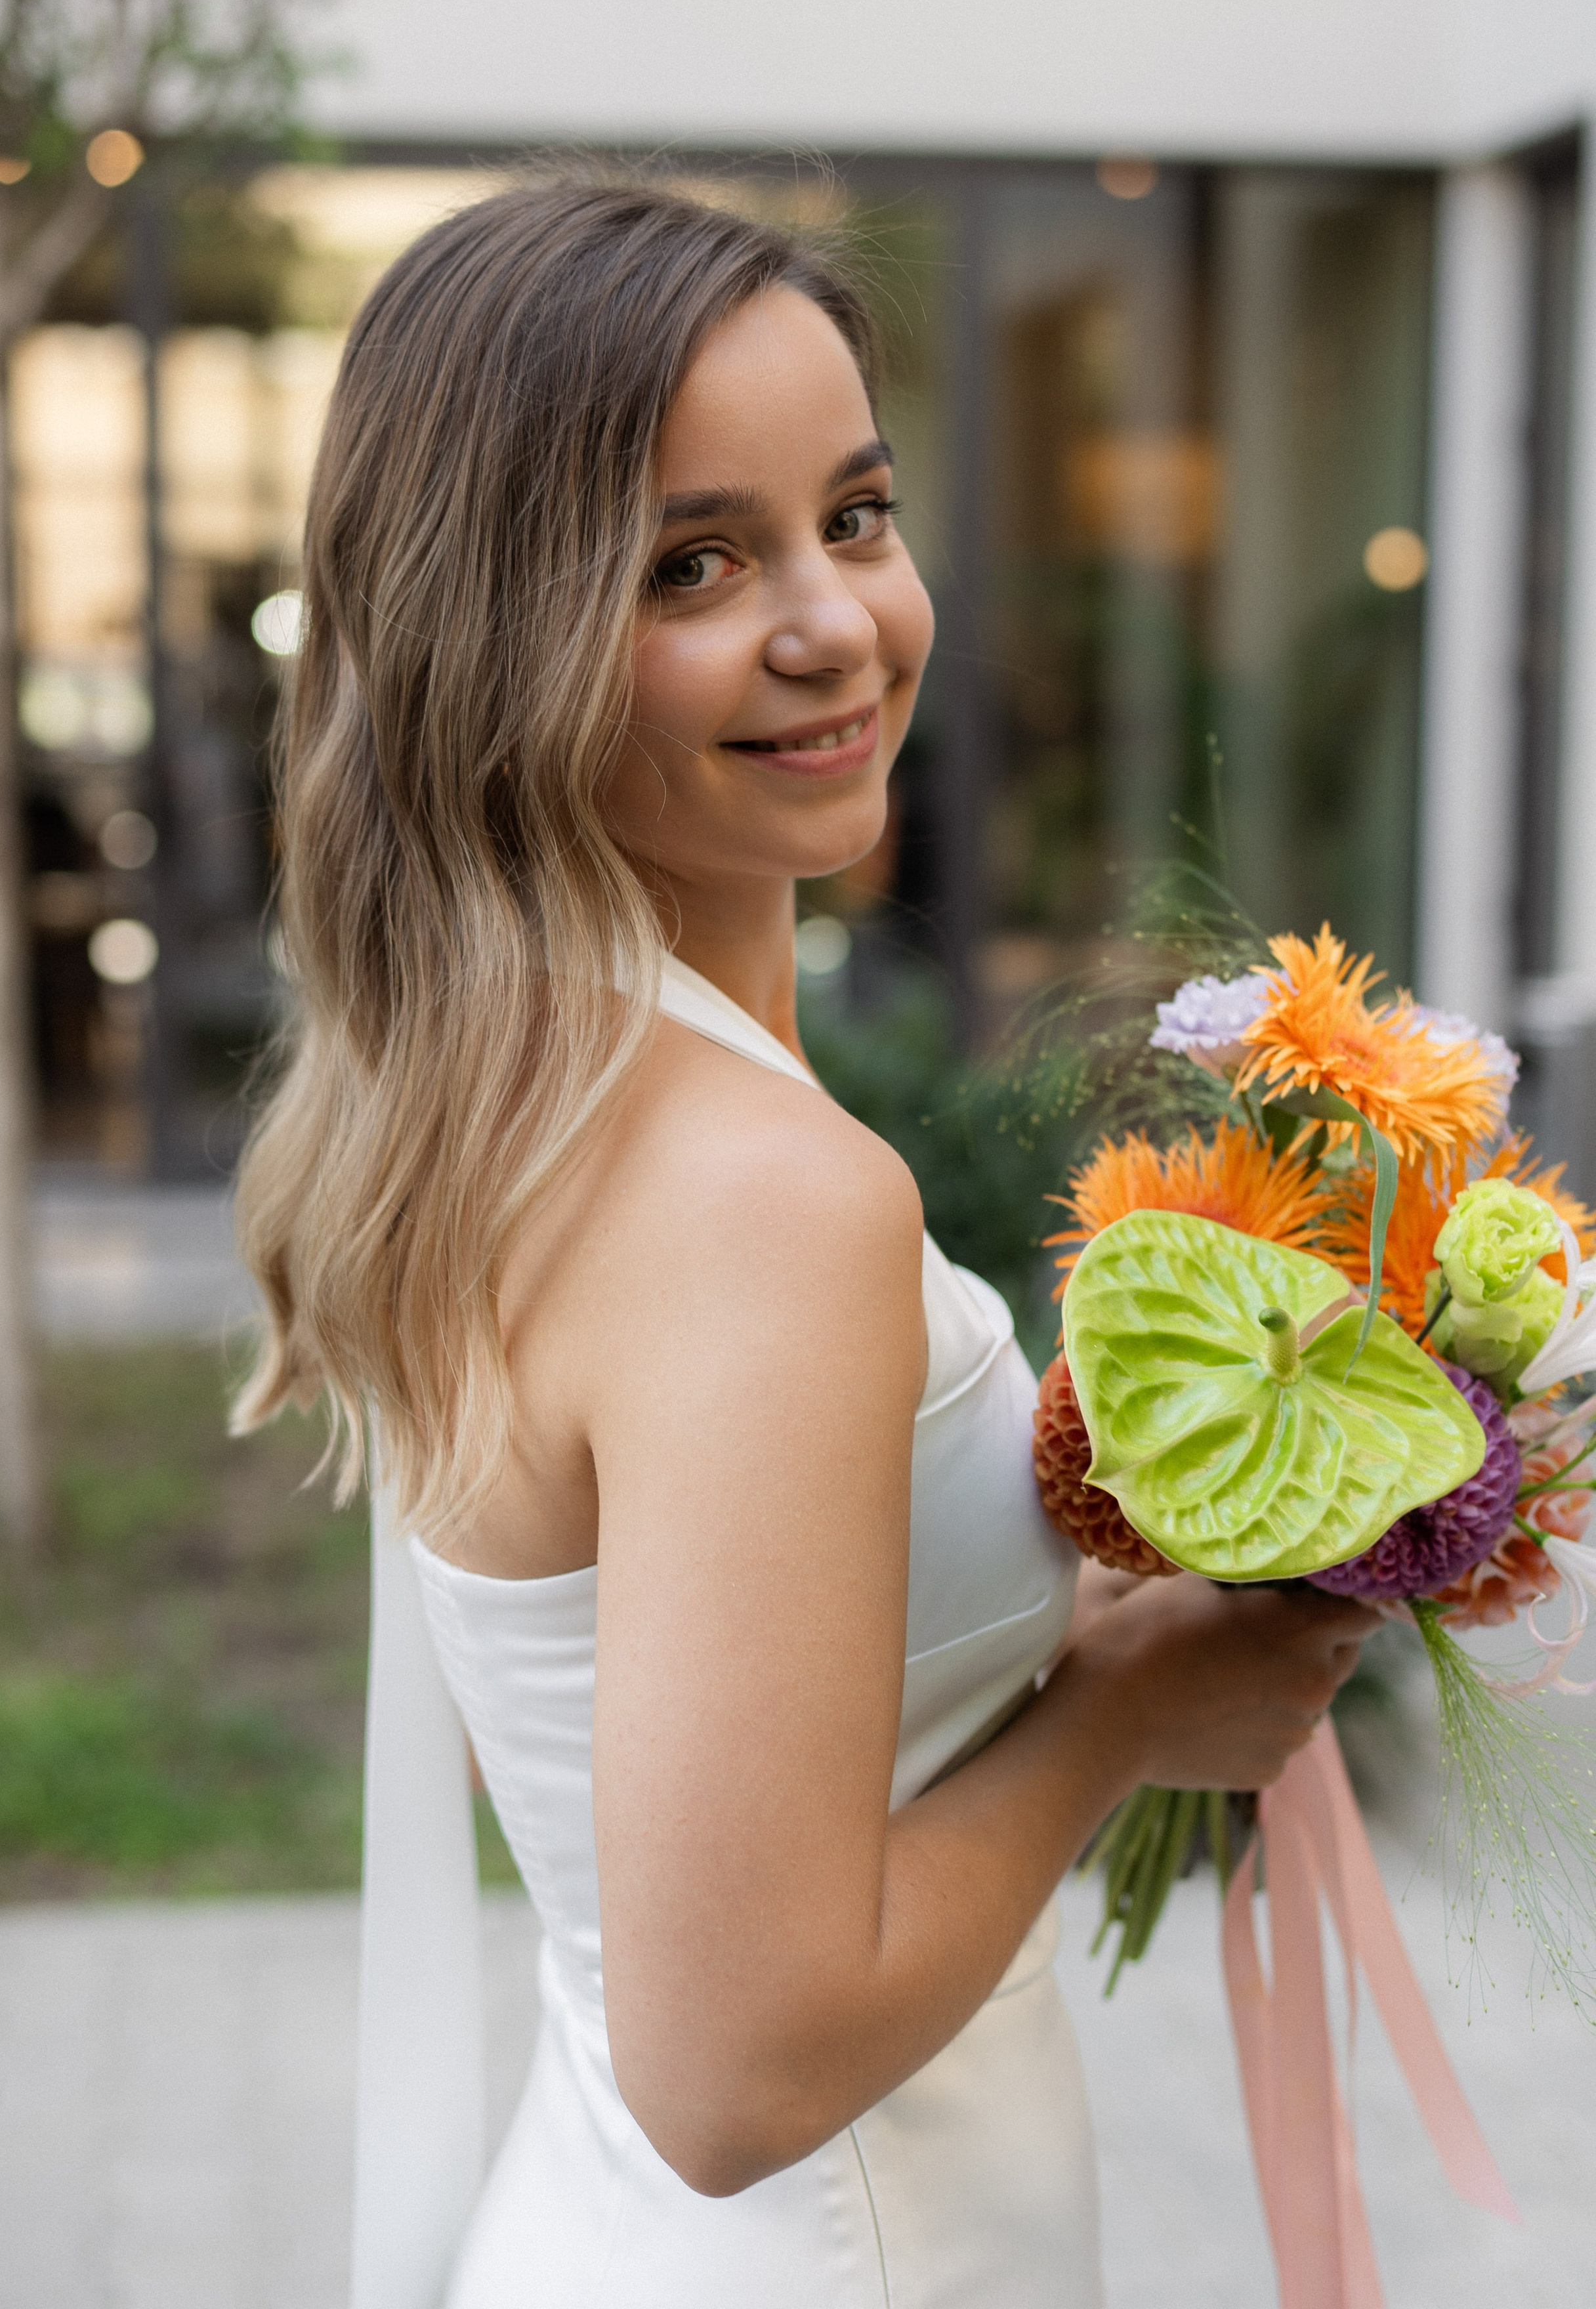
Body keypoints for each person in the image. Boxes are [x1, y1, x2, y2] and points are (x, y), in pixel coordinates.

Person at [232, 176, 1377, 2309]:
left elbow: (615, 1724)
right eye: (693, 562)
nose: (834, 621)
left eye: (853, 515)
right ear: (501, 638)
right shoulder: (752, 1196)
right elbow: (737, 2068)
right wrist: (1138, 1706)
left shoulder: (505, 1096)